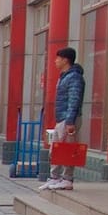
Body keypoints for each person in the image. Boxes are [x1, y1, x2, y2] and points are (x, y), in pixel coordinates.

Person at [43, 47, 86, 190]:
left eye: (58, 58)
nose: (55, 61)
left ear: (65, 60)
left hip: (68, 120)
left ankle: (67, 178)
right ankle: (54, 177)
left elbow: (74, 99)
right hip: (62, 118)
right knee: (56, 149)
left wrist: (70, 121)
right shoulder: (65, 76)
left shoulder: (74, 77)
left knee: (68, 149)